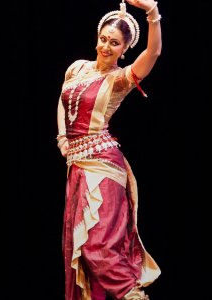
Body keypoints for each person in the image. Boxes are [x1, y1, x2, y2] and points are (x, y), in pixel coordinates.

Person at [56, 0, 162, 299]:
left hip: (103, 165)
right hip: (77, 167)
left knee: (98, 245)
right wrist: (62, 138)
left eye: (114, 43)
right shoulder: (76, 68)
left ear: (124, 49)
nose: (106, 46)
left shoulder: (118, 79)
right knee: (80, 249)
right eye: (103, 39)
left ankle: (133, 295)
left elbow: (153, 53)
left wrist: (152, 12)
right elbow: (62, 102)